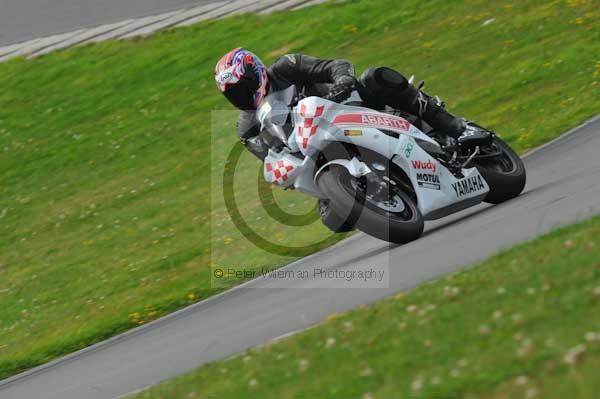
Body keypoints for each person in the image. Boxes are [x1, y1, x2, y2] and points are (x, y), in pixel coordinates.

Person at [214, 47, 491, 160]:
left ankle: (456, 127)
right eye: (233, 94)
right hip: (323, 149)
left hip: (350, 105)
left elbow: (335, 65)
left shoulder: (286, 67)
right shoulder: (247, 129)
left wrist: (343, 81)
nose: (241, 97)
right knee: (332, 217)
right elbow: (271, 158)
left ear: (256, 73)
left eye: (243, 88)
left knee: (376, 77)